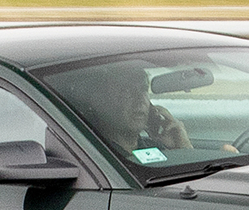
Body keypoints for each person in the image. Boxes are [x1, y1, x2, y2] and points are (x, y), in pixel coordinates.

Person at [55, 61, 195, 155]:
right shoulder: (98, 155)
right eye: (126, 91)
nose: (140, 98)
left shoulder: (152, 148)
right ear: (99, 101)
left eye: (143, 89)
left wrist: (182, 148)